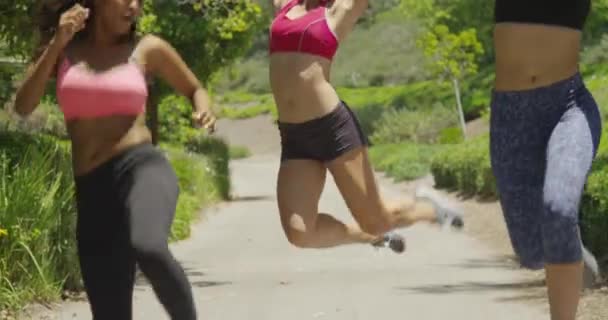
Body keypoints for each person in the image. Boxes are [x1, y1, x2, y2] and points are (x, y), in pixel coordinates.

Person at [13, 0, 216, 319]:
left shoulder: (147, 48)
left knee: (149, 247)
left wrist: (203, 109)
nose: (133, 7)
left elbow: (194, 89)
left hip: (141, 169)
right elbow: (23, 106)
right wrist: (57, 43)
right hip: (93, 189)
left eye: (139, 1)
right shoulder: (66, 50)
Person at [267, 0, 464, 254]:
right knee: (300, 232)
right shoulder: (285, 5)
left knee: (377, 220)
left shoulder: (338, 10)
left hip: (331, 129)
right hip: (294, 135)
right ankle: (370, 237)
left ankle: (429, 209)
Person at [491, 0, 602, 319]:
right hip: (510, 118)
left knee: (557, 208)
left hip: (569, 107)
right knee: (532, 252)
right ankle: (570, 250)